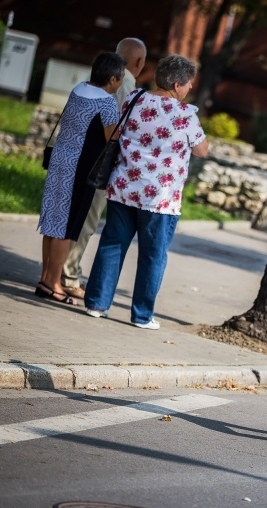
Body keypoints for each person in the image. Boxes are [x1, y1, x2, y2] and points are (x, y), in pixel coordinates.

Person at [83, 55, 209, 329]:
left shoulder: (135, 99)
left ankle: (96, 304)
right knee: (153, 255)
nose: (189, 89)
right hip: (160, 199)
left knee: (112, 244)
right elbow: (202, 150)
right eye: (188, 84)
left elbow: (118, 132)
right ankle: (141, 316)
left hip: (124, 186)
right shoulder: (186, 114)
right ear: (177, 84)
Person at [60, 38, 147, 300]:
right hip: (99, 162)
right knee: (86, 220)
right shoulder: (127, 86)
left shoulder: (97, 81)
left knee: (70, 216)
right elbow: (118, 131)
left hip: (77, 154)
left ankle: (57, 271)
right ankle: (69, 274)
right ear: (140, 62)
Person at [35, 52, 125, 305]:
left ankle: (44, 278)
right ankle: (54, 283)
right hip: (81, 169)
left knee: (52, 222)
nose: (121, 84)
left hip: (60, 160)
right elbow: (112, 138)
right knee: (68, 227)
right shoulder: (107, 102)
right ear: (112, 78)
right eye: (121, 79)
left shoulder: (78, 90)